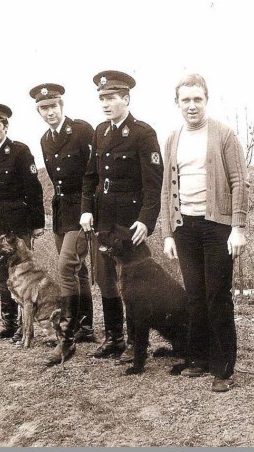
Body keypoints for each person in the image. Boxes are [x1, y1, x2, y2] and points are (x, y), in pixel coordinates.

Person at [160, 73, 249, 393]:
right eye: (186, 100)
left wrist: (238, 227)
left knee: (217, 295)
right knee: (194, 295)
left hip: (218, 228)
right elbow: (166, 188)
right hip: (185, 228)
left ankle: (224, 367)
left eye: (198, 99)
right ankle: (199, 358)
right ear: (177, 103)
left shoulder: (223, 135)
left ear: (206, 101)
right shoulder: (172, 138)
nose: (192, 105)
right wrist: (168, 233)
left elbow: (240, 181)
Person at [79, 70, 163, 362]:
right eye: (102, 98)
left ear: (126, 99)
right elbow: (90, 177)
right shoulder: (100, 131)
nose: (105, 103)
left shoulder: (143, 133)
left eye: (111, 98)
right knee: (106, 278)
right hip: (104, 218)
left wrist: (146, 221)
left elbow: (154, 184)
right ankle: (113, 337)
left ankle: (134, 341)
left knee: (135, 281)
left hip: (129, 223)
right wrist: (86, 209)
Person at [29, 83, 96, 365]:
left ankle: (66, 338)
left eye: (53, 106)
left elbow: (92, 173)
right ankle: (86, 326)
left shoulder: (81, 130)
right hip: (60, 211)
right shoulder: (45, 139)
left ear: (62, 106)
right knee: (77, 270)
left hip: (82, 209)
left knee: (66, 266)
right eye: (44, 108)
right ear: (39, 111)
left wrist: (89, 209)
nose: (49, 112)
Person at [0, 103, 45, 342]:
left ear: (6, 126)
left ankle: (23, 326)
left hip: (16, 221)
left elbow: (34, 190)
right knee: (0, 273)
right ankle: (9, 322)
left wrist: (37, 223)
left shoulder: (20, 151)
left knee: (21, 271)